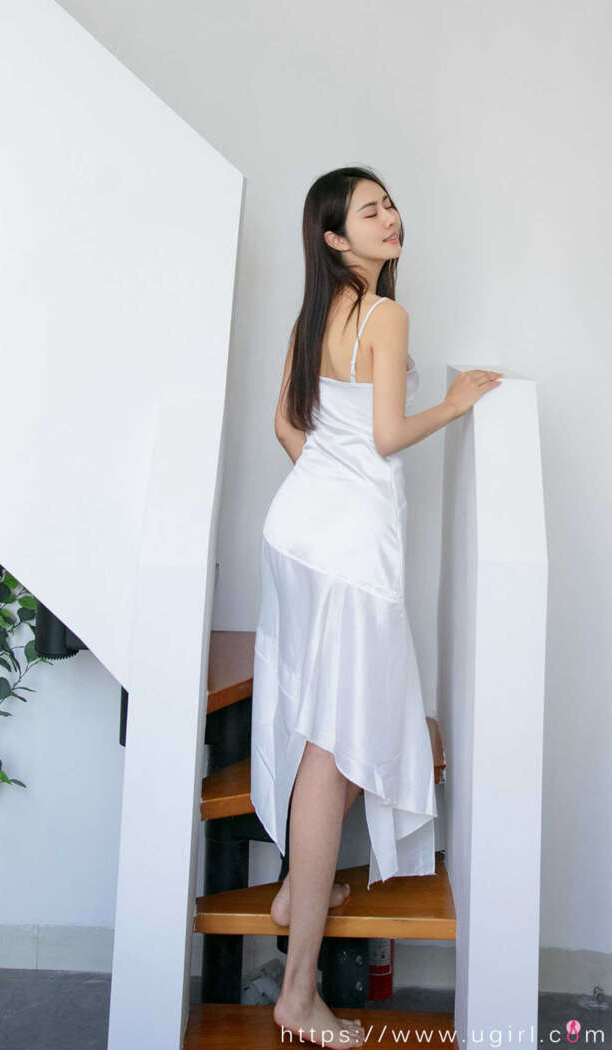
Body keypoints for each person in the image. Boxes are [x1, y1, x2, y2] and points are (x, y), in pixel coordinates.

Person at [250, 165, 502, 1049]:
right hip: (351, 554)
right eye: (369, 211)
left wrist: (331, 482)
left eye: (389, 203)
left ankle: (297, 889)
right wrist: (456, 403)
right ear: (334, 237)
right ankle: (297, 993)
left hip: (296, 535)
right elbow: (388, 435)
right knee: (338, 744)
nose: (389, 218)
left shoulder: (311, 316)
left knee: (330, 724)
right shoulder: (383, 314)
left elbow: (287, 427)